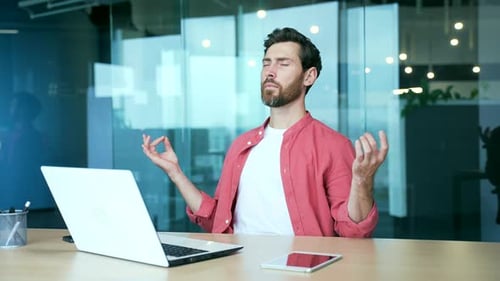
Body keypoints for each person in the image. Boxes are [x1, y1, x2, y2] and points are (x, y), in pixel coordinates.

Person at [142, 27, 389, 237]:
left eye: (283, 64)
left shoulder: (334, 146)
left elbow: (354, 231)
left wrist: (361, 181)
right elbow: (217, 220)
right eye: (266, 63)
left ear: (309, 76)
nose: (270, 71)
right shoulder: (241, 146)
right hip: (236, 268)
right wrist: (175, 173)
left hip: (299, 271)